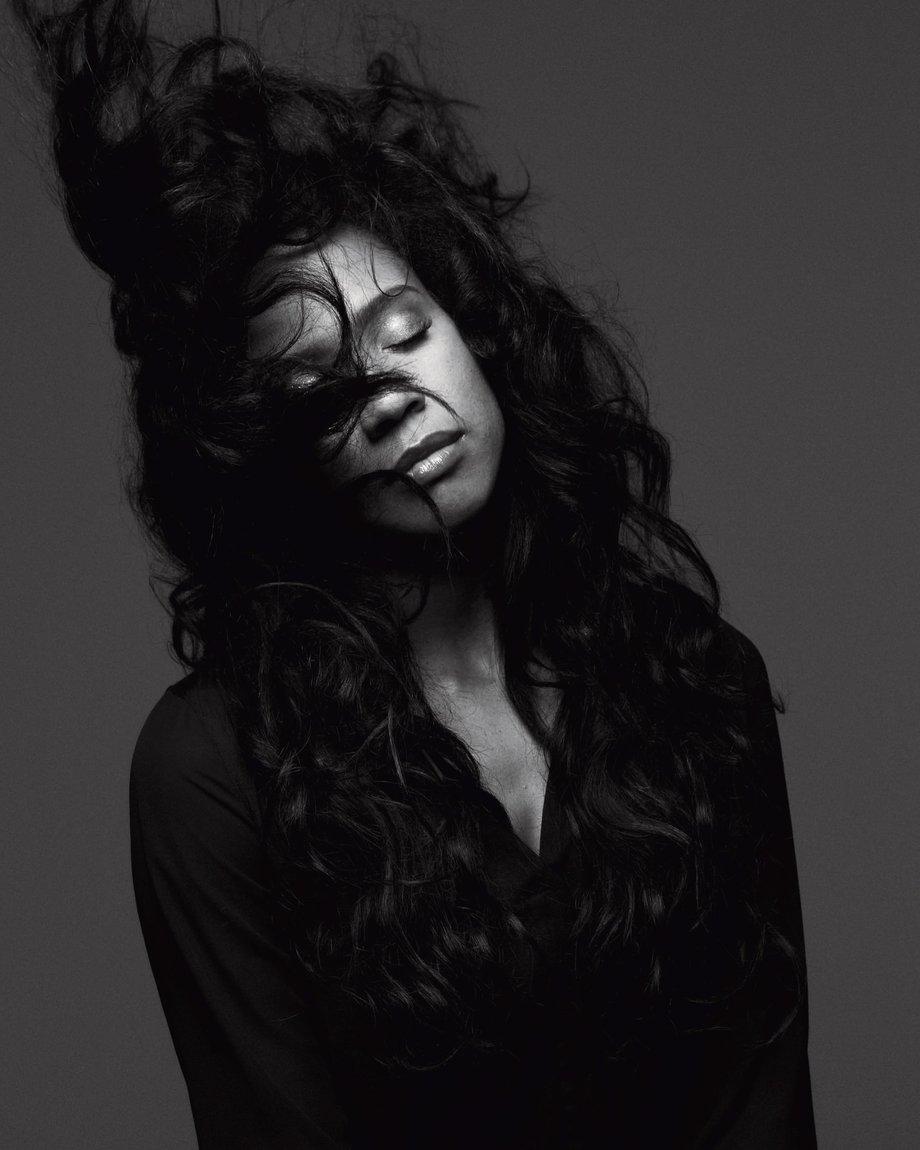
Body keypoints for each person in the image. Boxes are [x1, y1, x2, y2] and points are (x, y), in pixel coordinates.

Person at [14, 1, 816, 1146]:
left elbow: (767, 1099)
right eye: (321, 386)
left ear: (474, 331)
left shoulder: (693, 675)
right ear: (265, 448)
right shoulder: (212, 770)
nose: (392, 397)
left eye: (404, 330)